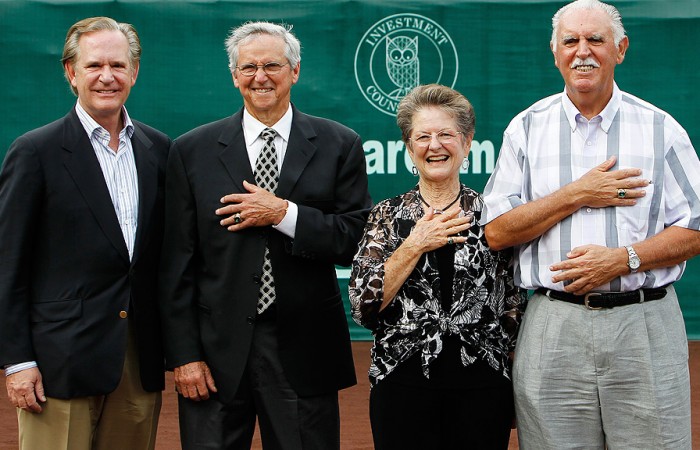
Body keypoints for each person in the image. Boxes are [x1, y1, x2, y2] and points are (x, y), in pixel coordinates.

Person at [481, 0, 700, 448]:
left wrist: (623, 260)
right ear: (555, 52)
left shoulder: (661, 129)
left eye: (596, 40)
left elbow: (696, 226)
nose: (583, 51)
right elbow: (497, 230)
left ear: (620, 49)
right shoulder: (525, 128)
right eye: (571, 41)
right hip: (552, 324)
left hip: (644, 324)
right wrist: (577, 193)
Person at [158, 21, 372, 450]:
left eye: (272, 65)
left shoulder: (338, 143)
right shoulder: (190, 150)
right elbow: (176, 263)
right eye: (249, 67)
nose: (261, 76)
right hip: (214, 351)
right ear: (234, 76)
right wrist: (184, 356)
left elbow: (354, 239)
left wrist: (284, 213)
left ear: (294, 71)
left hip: (303, 349)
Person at [0, 17, 169, 450]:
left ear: (134, 72)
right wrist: (18, 361)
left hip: (137, 362)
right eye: (94, 65)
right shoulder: (34, 151)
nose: (107, 77)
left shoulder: (160, 151)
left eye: (118, 65)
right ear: (71, 73)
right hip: (59, 363)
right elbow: (8, 264)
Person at [349, 84, 525, 450]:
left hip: (482, 385)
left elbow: (514, 305)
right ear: (409, 148)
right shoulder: (386, 215)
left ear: (467, 143)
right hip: (401, 383)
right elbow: (364, 306)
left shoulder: (494, 217)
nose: (435, 145)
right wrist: (415, 243)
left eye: (446, 134)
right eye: (423, 137)